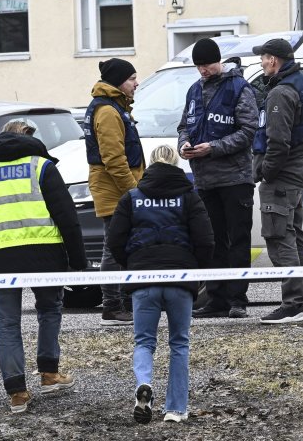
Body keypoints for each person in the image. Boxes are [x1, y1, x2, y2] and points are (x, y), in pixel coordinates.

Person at [0, 120, 88, 413]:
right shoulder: (42, 166)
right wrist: (79, 263)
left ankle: (17, 393)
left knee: (7, 324)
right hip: (44, 254)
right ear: (30, 139)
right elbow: (67, 216)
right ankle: (49, 374)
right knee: (50, 310)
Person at [106, 144, 214, 424]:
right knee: (179, 343)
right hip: (180, 278)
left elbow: (115, 240)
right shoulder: (189, 196)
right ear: (176, 164)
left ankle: (144, 385)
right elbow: (205, 240)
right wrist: (195, 269)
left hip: (144, 279)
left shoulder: (131, 197)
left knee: (144, 341)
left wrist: (132, 264)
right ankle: (175, 409)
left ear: (150, 165)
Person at [176, 38, 258, 319]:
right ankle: (216, 298)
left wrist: (213, 148)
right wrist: (184, 145)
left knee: (237, 240)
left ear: (218, 61)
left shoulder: (239, 89)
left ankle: (238, 300)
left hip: (236, 179)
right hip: (205, 181)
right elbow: (184, 126)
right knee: (212, 242)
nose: (203, 71)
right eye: (198, 66)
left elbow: (248, 131)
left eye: (207, 65)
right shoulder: (194, 91)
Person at [251, 38, 303, 324]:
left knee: (280, 238)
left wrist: (266, 172)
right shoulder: (302, 84)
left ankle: (293, 303)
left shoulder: (281, 92)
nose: (261, 62)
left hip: (281, 177)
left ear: (274, 60)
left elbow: (277, 141)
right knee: (295, 237)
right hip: (297, 172)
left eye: (264, 58)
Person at [84, 58, 145, 325]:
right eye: (132, 78)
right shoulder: (108, 111)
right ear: (119, 81)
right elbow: (114, 160)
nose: (136, 83)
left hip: (116, 189)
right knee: (113, 248)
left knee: (123, 247)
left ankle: (124, 303)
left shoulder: (113, 107)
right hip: (116, 191)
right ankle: (112, 306)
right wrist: (134, 192)